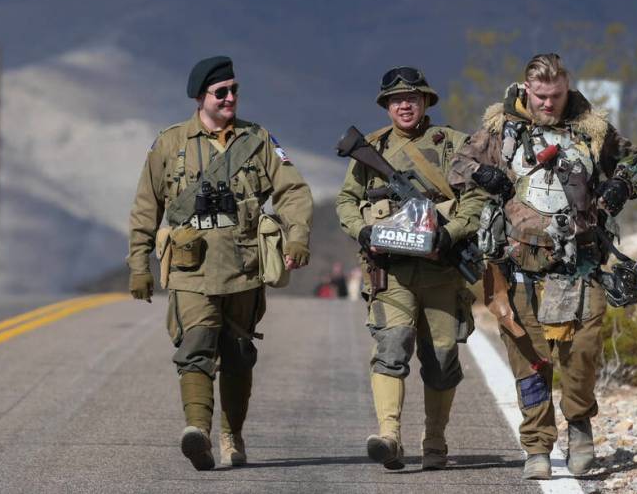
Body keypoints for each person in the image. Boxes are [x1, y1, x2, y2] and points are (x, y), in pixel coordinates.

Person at [449, 53, 637, 480]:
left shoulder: (593, 129)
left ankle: (579, 426)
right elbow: (457, 166)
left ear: (567, 89)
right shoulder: (500, 129)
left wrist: (620, 184)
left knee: (581, 355)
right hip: (518, 267)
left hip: (580, 264)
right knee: (530, 362)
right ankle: (538, 447)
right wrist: (483, 176)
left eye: (556, 95)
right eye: (540, 96)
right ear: (527, 90)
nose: (548, 104)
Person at [127, 56, 313, 470]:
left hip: (244, 268)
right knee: (195, 347)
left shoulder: (258, 140)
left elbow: (293, 190)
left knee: (238, 354)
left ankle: (232, 433)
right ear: (200, 97)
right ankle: (198, 431)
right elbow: (146, 208)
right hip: (189, 271)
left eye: (234, 90)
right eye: (221, 92)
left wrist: (297, 236)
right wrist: (138, 264)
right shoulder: (169, 144)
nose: (230, 98)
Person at [334, 67, 488, 470]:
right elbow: (346, 201)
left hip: (441, 272)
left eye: (412, 98)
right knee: (390, 348)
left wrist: (450, 233)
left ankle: (435, 441)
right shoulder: (371, 149)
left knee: (441, 359)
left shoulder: (455, 145)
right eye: (396, 100)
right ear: (386, 107)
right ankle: (389, 436)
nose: (405, 105)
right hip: (392, 272)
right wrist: (363, 230)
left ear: (426, 102)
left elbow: (476, 200)